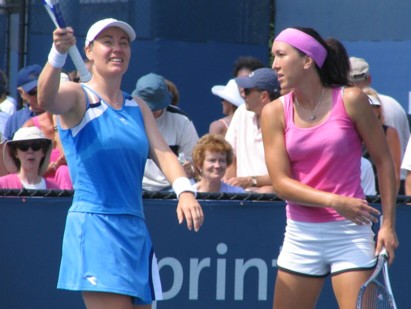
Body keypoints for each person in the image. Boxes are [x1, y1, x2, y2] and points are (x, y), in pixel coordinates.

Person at [38, 17, 204, 309]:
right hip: (96, 228)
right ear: (89, 51)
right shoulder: (78, 97)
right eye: (108, 41)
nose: (117, 48)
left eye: (123, 42)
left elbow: (164, 153)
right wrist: (57, 54)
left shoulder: (137, 106)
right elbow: (47, 98)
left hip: (136, 230)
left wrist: (185, 190)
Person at [264, 27, 398, 309]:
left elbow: (384, 161)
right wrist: (334, 201)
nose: (274, 64)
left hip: (350, 234)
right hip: (300, 236)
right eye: (273, 56)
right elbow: (280, 183)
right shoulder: (274, 111)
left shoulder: (351, 100)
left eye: (281, 55)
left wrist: (387, 224)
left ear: (307, 60)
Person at [349, 56, 410, 194]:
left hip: (386, 192)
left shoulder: (388, 109)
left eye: (375, 108)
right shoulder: (393, 104)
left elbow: (393, 166)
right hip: (364, 193)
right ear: (369, 79)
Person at [133, 73, 199, 192]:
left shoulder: (181, 120)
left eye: (156, 108)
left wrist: (191, 169)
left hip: (172, 187)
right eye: (148, 108)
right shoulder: (128, 118)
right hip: (135, 187)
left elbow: (195, 162)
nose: (152, 112)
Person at [224, 68, 281, 193]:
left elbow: (287, 174)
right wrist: (232, 189)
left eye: (247, 90)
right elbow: (229, 156)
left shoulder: (286, 121)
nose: (242, 94)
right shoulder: (241, 112)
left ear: (264, 96)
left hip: (273, 200)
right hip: (239, 198)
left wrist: (252, 182)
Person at [362, 87, 401, 193]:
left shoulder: (389, 132)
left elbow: (394, 174)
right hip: (357, 194)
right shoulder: (351, 133)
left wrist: (390, 202)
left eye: (375, 106)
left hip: (380, 197)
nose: (371, 109)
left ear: (379, 110)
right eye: (366, 105)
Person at [2, 64, 45, 142]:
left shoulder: (61, 115)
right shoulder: (15, 120)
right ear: (21, 92)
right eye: (32, 92)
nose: (39, 95)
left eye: (42, 89)